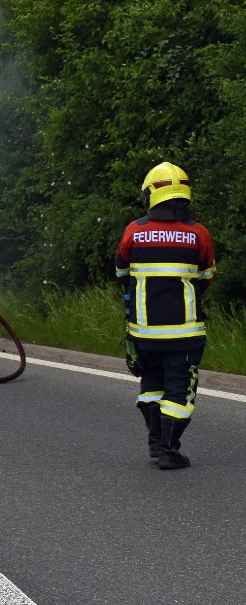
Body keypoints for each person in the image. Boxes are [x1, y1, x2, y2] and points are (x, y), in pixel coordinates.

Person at [116, 161, 215, 470]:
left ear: (151, 195)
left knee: (152, 383)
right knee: (179, 390)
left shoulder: (134, 230)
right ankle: (170, 450)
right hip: (184, 334)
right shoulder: (198, 234)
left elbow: (121, 272)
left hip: (144, 332)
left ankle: (156, 442)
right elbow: (207, 276)